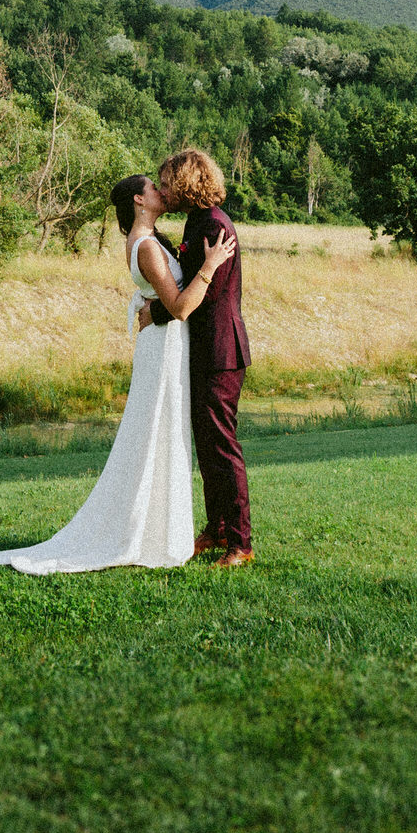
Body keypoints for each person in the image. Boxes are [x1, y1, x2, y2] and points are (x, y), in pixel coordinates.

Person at [0, 172, 235, 575]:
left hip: (168, 346)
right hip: (162, 350)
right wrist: (209, 266)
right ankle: (145, 533)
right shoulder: (146, 248)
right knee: (157, 433)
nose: (162, 192)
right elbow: (178, 307)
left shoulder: (151, 239)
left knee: (164, 434)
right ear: (140, 201)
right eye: (153, 188)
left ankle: (160, 528)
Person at [147, 146, 253, 566]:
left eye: (168, 183)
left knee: (223, 447)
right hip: (207, 350)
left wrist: (152, 310)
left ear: (187, 183)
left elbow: (195, 297)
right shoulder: (198, 222)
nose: (164, 190)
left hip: (220, 351)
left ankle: (240, 543)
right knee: (208, 447)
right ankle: (216, 529)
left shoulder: (211, 225)